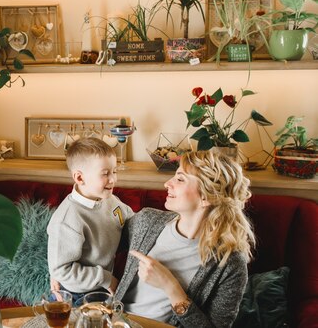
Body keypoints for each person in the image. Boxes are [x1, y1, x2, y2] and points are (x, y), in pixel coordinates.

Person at [115, 150, 255, 328]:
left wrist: (170, 286)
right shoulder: (146, 221)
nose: (167, 183)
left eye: (180, 179)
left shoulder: (230, 263)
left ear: (206, 196)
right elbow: (101, 243)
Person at [47, 137, 134, 304]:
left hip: (100, 288)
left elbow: (132, 221)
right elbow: (62, 271)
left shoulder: (110, 200)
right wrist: (105, 278)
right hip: (74, 295)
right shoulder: (67, 219)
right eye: (105, 173)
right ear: (80, 178)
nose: (113, 179)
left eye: (114, 171)